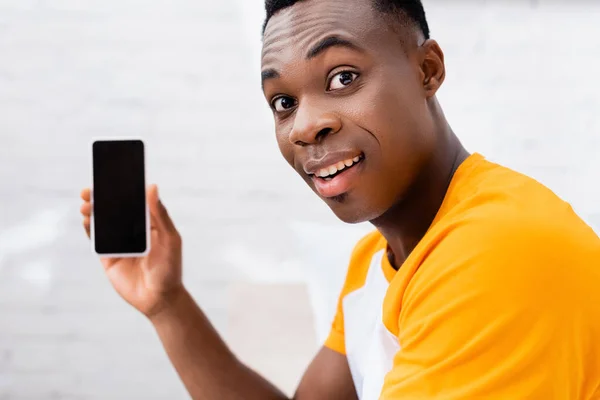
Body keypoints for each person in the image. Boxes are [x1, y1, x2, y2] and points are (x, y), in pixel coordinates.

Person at [79, 0, 600, 398]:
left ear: (428, 70)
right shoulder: (375, 260)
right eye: (283, 102)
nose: (305, 126)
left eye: (343, 77)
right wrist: (168, 305)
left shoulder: (499, 248)